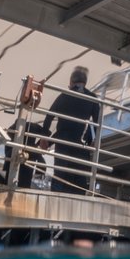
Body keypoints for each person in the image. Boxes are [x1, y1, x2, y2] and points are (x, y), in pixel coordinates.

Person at [41, 66, 101, 195]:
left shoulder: (64, 96)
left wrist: (44, 137)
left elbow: (49, 116)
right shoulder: (92, 98)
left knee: (60, 177)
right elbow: (97, 123)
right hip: (80, 144)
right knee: (78, 178)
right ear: (85, 82)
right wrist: (95, 140)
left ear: (71, 81)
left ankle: (54, 200)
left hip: (62, 142)